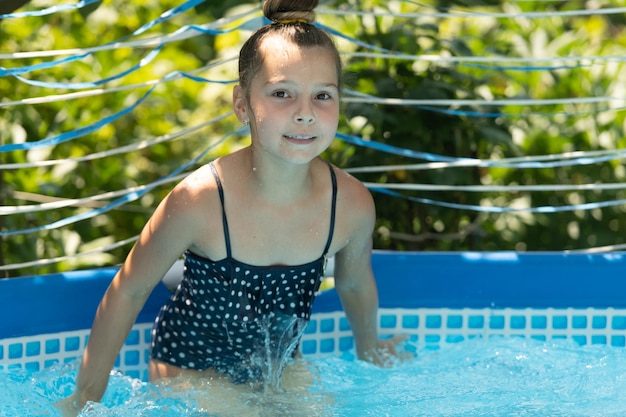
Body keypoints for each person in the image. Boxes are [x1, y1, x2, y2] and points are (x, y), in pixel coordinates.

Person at [59, 0, 404, 414]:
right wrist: (84, 400)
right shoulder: (201, 201)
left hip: (277, 368)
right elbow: (128, 290)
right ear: (242, 104)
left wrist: (372, 351)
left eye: (322, 96)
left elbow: (353, 284)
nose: (305, 114)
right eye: (282, 94)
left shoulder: (348, 204)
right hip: (189, 370)